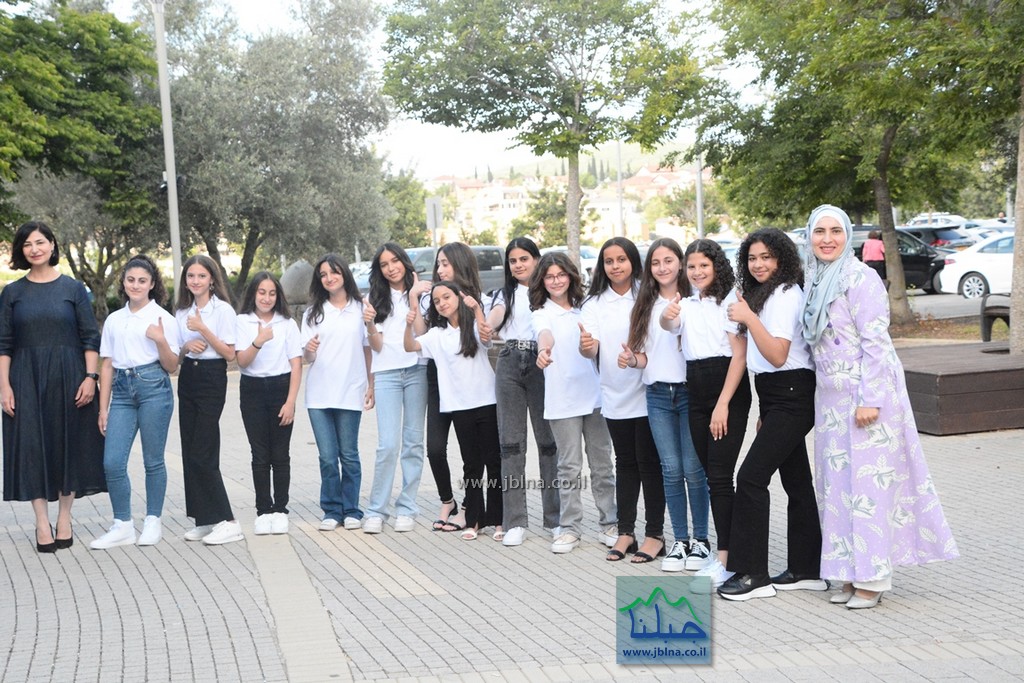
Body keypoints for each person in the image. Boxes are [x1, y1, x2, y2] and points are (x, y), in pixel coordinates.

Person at [803, 205, 959, 609]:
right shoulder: (814, 280)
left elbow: (876, 342)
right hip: (831, 401)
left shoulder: (860, 277)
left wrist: (870, 399)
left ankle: (873, 577)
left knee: (869, 486)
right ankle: (848, 572)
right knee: (837, 489)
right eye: (819, 231)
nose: (827, 239)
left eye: (836, 231)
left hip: (865, 396)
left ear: (848, 235)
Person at [717, 228, 825, 601]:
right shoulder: (766, 293)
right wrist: (766, 408)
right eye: (752, 258)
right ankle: (808, 569)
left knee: (750, 478)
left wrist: (749, 317)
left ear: (782, 258)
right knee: (796, 481)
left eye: (766, 257)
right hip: (776, 394)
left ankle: (754, 574)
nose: (758, 264)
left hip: (792, 392)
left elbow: (778, 355)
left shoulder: (784, 294)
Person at [0, 221, 105, 553]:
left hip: (70, 377)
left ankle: (64, 518)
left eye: (40, 242)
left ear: (52, 245)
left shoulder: (73, 289)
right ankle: (41, 522)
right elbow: (4, 344)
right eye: (27, 244)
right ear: (21, 250)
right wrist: (4, 386)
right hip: (25, 379)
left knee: (67, 445)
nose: (34, 249)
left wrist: (90, 378)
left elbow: (90, 337)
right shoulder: (12, 293)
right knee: (31, 447)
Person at [660, 239, 751, 588]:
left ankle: (726, 560)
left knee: (720, 476)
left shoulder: (730, 301)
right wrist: (667, 316)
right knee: (712, 475)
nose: (697, 272)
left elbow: (739, 356)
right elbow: (669, 326)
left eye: (704, 266)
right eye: (692, 266)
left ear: (717, 266)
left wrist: (723, 404)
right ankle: (729, 553)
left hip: (726, 387)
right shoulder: (686, 303)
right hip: (694, 388)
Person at [621, 238, 710, 571]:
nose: (662, 268)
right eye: (656, 262)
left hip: (690, 393)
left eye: (669, 260)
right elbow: (645, 357)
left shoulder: (694, 300)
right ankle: (680, 541)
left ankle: (701, 541)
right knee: (670, 471)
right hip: (657, 395)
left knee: (693, 470)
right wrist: (631, 360)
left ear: (680, 263)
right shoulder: (644, 304)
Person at [580, 237, 663, 562]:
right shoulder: (594, 303)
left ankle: (655, 535)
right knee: (625, 464)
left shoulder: (648, 293)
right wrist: (587, 346)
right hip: (614, 394)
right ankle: (626, 532)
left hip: (648, 391)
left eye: (621, 259)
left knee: (649, 464)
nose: (615, 266)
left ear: (633, 262)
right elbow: (590, 347)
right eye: (609, 261)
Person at [531, 252, 617, 555]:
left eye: (561, 275)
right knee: (568, 467)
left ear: (571, 276)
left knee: (602, 464)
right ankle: (569, 528)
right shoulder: (541, 312)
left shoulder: (587, 307)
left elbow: (596, 344)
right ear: (542, 281)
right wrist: (543, 350)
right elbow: (544, 335)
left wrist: (590, 345)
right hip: (562, 400)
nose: (556, 281)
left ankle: (610, 523)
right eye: (549, 276)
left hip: (595, 397)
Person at [91, 255, 179, 549]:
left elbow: (171, 366)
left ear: (152, 284)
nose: (136, 285)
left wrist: (160, 340)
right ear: (124, 282)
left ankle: (153, 520)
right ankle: (122, 525)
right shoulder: (115, 319)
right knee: (112, 461)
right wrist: (103, 408)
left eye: (142, 280)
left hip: (154, 387)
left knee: (153, 460)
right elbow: (107, 365)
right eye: (131, 280)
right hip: (121, 392)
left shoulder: (163, 319)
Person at [404, 280, 501, 541]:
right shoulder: (437, 335)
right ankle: (474, 521)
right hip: (459, 408)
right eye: (437, 301)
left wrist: (477, 309)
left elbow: (486, 337)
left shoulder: (473, 327)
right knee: (471, 465)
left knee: (494, 462)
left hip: (486, 402)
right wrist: (407, 324)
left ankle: (498, 520)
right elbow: (410, 347)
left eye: (446, 297)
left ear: (458, 298)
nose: (442, 303)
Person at [486, 238, 559, 547]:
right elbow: (497, 314)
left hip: (543, 364)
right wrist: (487, 324)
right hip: (509, 362)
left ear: (536, 259)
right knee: (511, 445)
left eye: (524, 259)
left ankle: (555, 519)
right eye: (513, 260)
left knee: (549, 443)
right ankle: (515, 521)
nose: (518, 265)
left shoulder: (550, 291)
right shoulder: (505, 293)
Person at [302, 254, 374, 532]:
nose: (329, 278)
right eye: (323, 274)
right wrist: (309, 349)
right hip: (319, 395)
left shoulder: (361, 308)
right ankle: (332, 511)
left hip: (351, 391)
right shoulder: (313, 313)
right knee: (328, 458)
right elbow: (308, 357)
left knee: (349, 455)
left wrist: (371, 384)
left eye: (334, 272)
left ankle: (352, 510)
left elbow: (368, 349)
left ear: (344, 274)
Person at [174, 254, 242, 545]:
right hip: (188, 376)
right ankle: (205, 519)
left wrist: (202, 329)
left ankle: (229, 521)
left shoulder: (223, 310)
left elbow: (230, 354)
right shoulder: (181, 312)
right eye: (191, 276)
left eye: (201, 276)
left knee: (204, 450)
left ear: (212, 279)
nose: (196, 281)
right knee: (189, 449)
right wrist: (187, 346)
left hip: (212, 377)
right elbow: (176, 355)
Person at [362, 243, 427, 534]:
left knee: (413, 443)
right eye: (384, 264)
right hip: (387, 373)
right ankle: (376, 510)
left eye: (395, 261)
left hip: (417, 370)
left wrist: (414, 299)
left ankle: (407, 508)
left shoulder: (423, 292)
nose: (391, 268)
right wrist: (369, 325)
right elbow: (376, 346)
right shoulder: (373, 298)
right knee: (387, 444)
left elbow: (422, 334)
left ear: (404, 261)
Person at [235, 272, 302, 536]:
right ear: (253, 294)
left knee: (280, 455)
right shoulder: (242, 321)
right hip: (252, 390)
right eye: (261, 292)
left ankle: (281, 509)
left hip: (281, 388)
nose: (266, 298)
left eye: (272, 293)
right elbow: (242, 361)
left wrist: (291, 401)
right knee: (260, 455)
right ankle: (263, 510)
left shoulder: (287, 323)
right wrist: (258, 341)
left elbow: (296, 364)